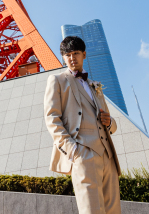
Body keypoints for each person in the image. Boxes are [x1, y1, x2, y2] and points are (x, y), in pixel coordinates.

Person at [44, 36, 121, 214]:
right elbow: (51, 118)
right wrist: (72, 150)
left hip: (107, 154)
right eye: (68, 54)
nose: (72, 58)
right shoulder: (57, 80)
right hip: (82, 152)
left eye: (76, 53)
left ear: (84, 54)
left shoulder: (95, 85)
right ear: (63, 57)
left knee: (113, 210)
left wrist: (110, 123)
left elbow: (111, 123)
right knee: (91, 209)